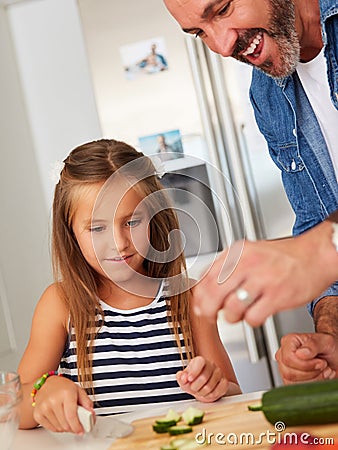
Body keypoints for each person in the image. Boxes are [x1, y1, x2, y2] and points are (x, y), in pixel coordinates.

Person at [163, 0, 338, 381]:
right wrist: (330, 335)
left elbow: (320, 243)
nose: (223, 47)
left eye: (222, 9)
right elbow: (315, 219)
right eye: (199, 33)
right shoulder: (268, 94)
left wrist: (317, 250)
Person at [17, 139, 240, 434]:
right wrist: (42, 392)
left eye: (132, 221)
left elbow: (234, 396)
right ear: (70, 232)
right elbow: (15, 408)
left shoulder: (188, 296)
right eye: (96, 228)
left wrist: (215, 386)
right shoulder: (60, 304)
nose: (119, 243)